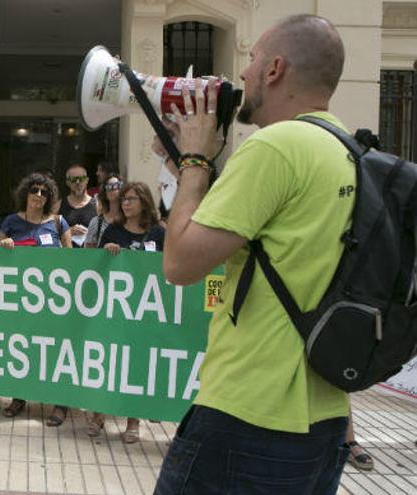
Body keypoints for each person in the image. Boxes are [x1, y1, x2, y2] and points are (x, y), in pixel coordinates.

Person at [156, 15, 353, 494]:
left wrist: (196, 161)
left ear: (275, 69)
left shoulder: (276, 146)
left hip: (247, 414)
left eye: (251, 60)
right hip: (327, 418)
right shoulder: (347, 149)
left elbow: (180, 264)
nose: (242, 75)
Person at [0, 173, 72, 423]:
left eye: (44, 192)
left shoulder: (59, 223)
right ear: (25, 194)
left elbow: (72, 262)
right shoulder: (10, 222)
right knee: (21, 348)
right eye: (34, 190)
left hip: (52, 301)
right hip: (20, 300)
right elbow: (0, 262)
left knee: (55, 351)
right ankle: (19, 397)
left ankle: (60, 403)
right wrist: (5, 245)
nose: (39, 195)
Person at [95, 181, 165, 443]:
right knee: (110, 360)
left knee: (136, 365)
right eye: (123, 199)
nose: (125, 203)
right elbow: (95, 268)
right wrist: (106, 253)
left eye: (131, 199)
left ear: (145, 202)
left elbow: (169, 268)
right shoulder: (112, 231)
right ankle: (100, 411)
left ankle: (133, 421)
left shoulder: (158, 234)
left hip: (145, 312)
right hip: (114, 311)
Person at [59, 164, 97, 247]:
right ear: (67, 182)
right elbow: (51, 235)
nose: (77, 182)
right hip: (67, 256)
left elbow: (104, 234)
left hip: (91, 256)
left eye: (81, 179)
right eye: (73, 179)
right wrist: (68, 232)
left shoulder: (98, 205)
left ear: (87, 180)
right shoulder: (58, 205)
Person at [84, 174, 123, 248]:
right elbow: (88, 252)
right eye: (108, 187)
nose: (112, 189)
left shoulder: (130, 220)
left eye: (116, 185)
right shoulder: (96, 222)